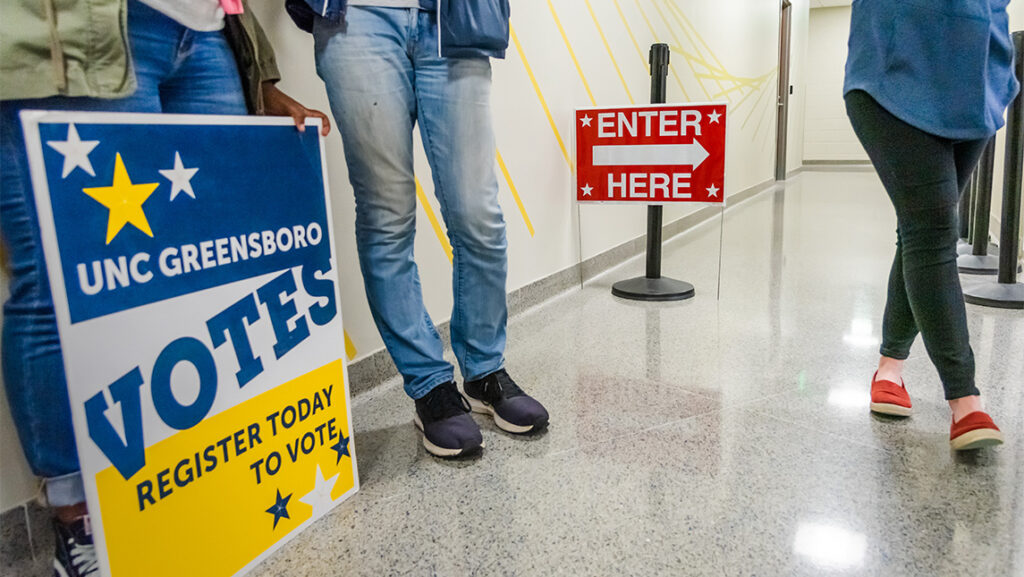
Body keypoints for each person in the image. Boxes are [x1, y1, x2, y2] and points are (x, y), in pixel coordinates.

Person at [0, 1, 329, 575]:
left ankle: (188, 485)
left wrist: (260, 70)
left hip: (208, 34)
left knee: (201, 272)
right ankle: (80, 521)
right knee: (58, 282)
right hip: (78, 28)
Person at [287, 0, 549, 458]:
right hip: (356, 19)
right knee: (386, 214)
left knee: (478, 215)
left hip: (453, 18)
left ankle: (485, 370)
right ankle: (430, 385)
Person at [843, 0, 1018, 450]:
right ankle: (966, 401)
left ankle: (889, 368)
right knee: (935, 231)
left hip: (977, 81)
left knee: (920, 231)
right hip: (893, 75)